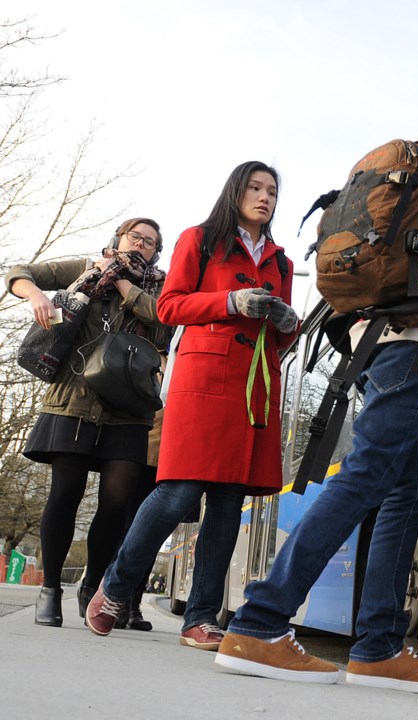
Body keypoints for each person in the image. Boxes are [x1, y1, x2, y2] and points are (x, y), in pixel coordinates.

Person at [213, 97, 418, 693]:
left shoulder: (410, 171)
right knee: (368, 473)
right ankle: (261, 622)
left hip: (373, 337)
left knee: (412, 488)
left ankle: (379, 646)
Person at [85, 161, 299, 651]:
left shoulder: (282, 262)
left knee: (227, 502)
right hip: (204, 378)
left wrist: (289, 321)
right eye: (255, 187)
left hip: (254, 384)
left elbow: (282, 333)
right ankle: (114, 588)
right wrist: (230, 302)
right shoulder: (199, 239)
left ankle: (200, 618)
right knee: (179, 492)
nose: (264, 197)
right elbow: (170, 306)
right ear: (235, 191)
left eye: (272, 191)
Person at [5, 218, 169, 627]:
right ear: (119, 239)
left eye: (150, 243)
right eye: (135, 237)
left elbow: (163, 320)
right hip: (74, 397)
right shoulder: (85, 266)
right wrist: (38, 297)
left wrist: (121, 285)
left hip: (129, 406)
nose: (141, 245)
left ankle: (92, 585)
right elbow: (18, 273)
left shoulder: (161, 288)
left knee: (116, 501)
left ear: (156, 252)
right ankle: (51, 590)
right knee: (65, 492)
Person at [113, 403, 165, 632]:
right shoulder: (150, 366)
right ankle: (119, 600)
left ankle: (133, 604)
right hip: (137, 450)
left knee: (151, 535)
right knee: (127, 529)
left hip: (166, 454)